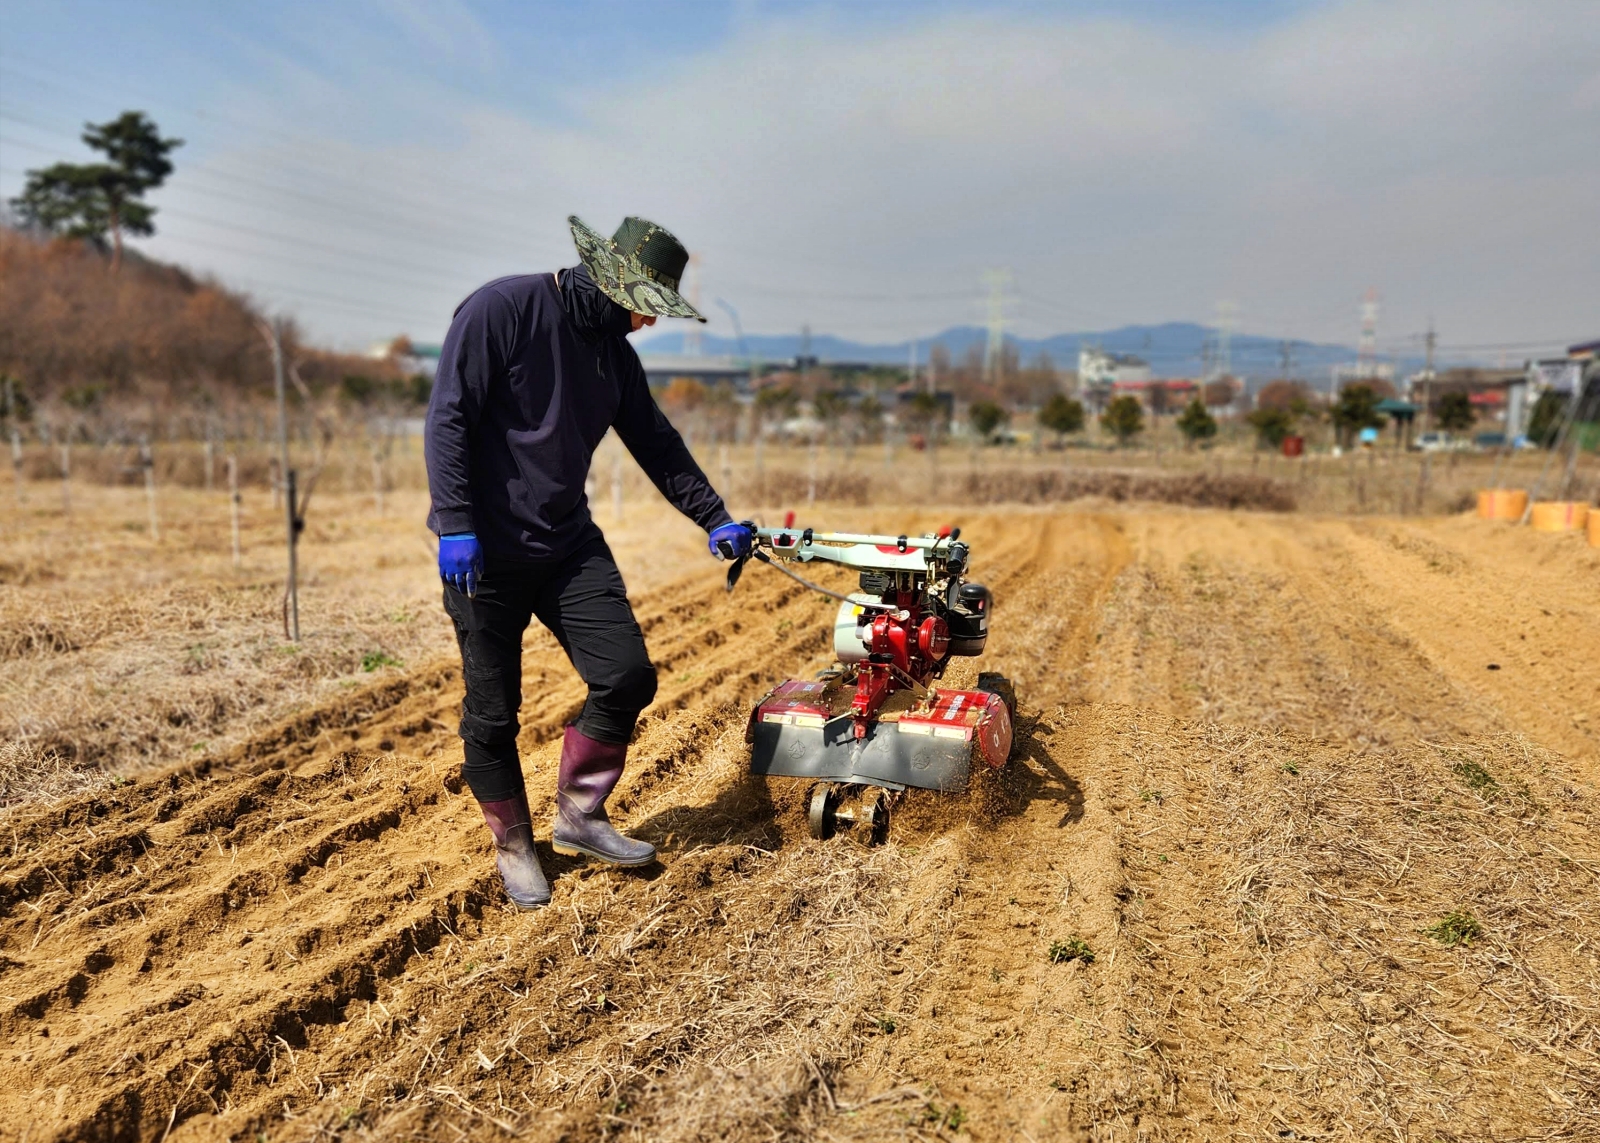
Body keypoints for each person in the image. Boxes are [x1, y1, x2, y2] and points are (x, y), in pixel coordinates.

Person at [424, 215, 753, 910]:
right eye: (644, 305)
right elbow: (448, 415)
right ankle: (515, 845)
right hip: (483, 553)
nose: (646, 323)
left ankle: (579, 815)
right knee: (493, 713)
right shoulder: (502, 310)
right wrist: (456, 522)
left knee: (626, 674)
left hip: (566, 543)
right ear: (610, 283)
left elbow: (657, 445)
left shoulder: (614, 358)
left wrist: (715, 516)